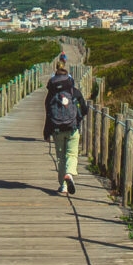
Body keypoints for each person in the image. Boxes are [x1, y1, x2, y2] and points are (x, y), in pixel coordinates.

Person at [43, 55, 88, 194]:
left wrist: (47, 131)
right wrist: (78, 118)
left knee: (60, 157)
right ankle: (69, 174)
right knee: (72, 155)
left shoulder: (51, 94)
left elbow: (48, 113)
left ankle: (63, 186)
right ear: (68, 78)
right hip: (72, 127)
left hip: (57, 129)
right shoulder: (73, 91)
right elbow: (84, 109)